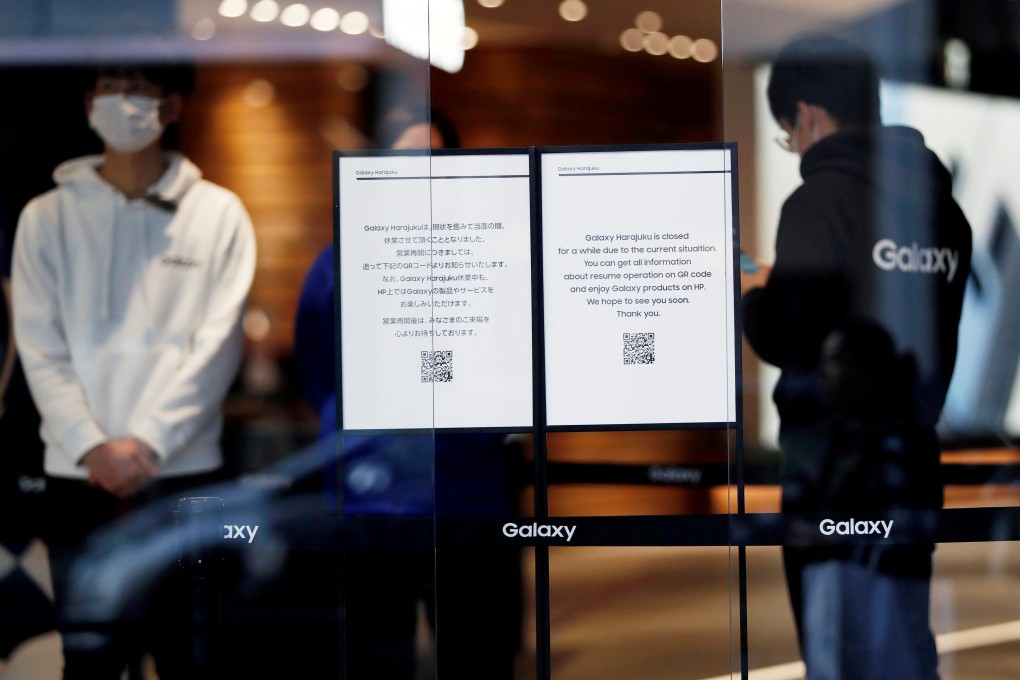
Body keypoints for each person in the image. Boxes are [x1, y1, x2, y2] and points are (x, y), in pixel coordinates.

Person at [11, 62, 256, 679]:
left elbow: (220, 344)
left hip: (188, 475)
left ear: (172, 105)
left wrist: (149, 443)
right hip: (77, 474)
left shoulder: (219, 213)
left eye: (140, 88)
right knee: (89, 657)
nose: (122, 101)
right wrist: (92, 445)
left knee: (194, 655)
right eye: (110, 88)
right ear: (88, 101)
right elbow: (39, 346)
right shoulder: (45, 216)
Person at [742, 35, 972, 679]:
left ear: (807, 115)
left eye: (786, 134)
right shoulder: (943, 210)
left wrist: (753, 295)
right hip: (912, 468)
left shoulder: (819, 201)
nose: (794, 147)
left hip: (832, 477)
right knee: (900, 646)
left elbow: (793, 338)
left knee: (842, 655)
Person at [294, 109, 522, 679]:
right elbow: (318, 369)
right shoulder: (340, 261)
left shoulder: (493, 258)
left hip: (469, 497)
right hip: (372, 500)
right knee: (371, 663)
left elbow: (514, 362)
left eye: (436, 161)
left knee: (479, 660)